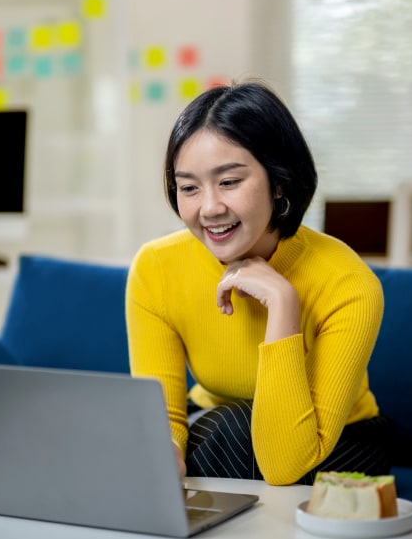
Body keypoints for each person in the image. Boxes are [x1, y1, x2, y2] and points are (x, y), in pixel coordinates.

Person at [125, 80, 393, 486]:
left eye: (229, 182)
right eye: (189, 188)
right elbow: (163, 416)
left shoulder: (349, 282)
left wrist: (284, 303)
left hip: (335, 437)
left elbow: (287, 463)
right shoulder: (156, 268)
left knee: (238, 433)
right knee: (221, 431)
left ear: (279, 180)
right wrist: (167, 454)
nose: (210, 207)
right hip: (218, 424)